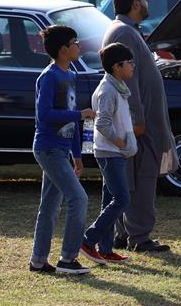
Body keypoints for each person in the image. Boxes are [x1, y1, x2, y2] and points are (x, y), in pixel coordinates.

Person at [103, 0, 178, 252]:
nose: (147, 2)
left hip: (140, 122)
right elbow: (127, 82)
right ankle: (140, 237)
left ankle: (125, 233)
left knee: (133, 180)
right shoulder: (123, 32)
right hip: (138, 125)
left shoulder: (127, 31)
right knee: (141, 180)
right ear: (135, 4)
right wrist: (136, 120)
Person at [29, 25, 96, 275]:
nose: (79, 46)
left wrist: (77, 156)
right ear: (63, 50)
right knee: (78, 198)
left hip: (61, 150)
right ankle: (68, 259)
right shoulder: (49, 77)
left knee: (49, 207)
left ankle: (37, 261)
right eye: (75, 42)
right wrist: (80, 114)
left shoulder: (71, 74)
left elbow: (72, 120)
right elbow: (44, 114)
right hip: (48, 148)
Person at [78, 42, 137, 265]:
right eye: (129, 63)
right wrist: (121, 142)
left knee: (109, 200)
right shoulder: (108, 90)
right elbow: (101, 123)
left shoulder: (117, 87)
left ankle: (105, 249)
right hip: (109, 152)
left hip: (112, 152)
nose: (132, 66)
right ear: (116, 66)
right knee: (122, 199)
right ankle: (87, 240)